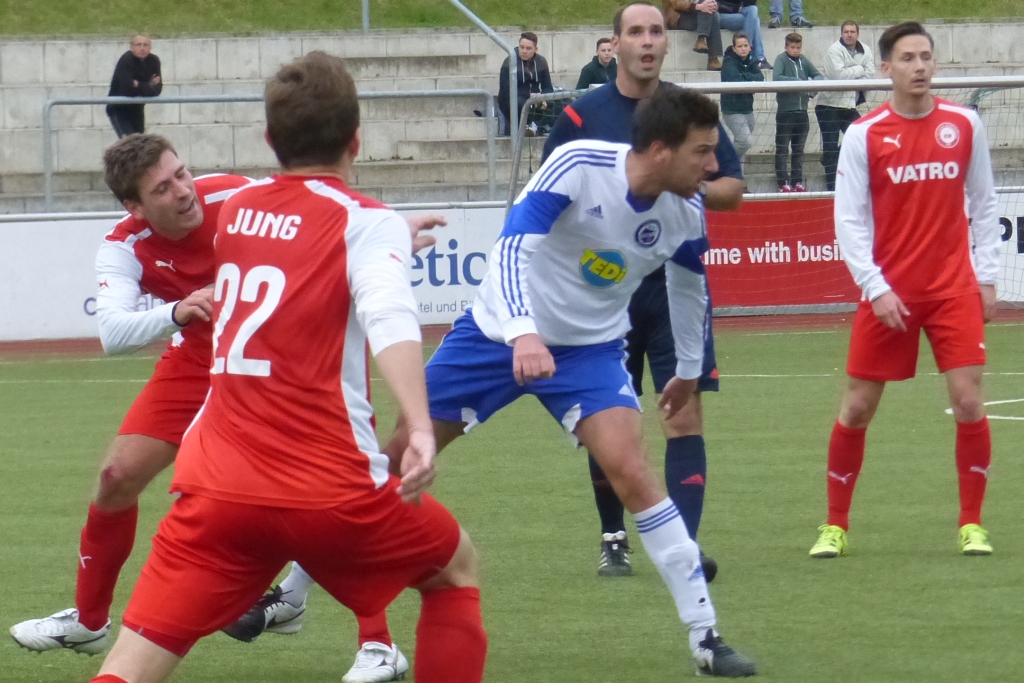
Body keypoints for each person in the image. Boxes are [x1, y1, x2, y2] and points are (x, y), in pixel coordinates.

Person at [80, 51, 488, 683]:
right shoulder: (363, 221)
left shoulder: (238, 212)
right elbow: (388, 315)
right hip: (325, 486)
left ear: (269, 140)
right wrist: (419, 424)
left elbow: (295, 240)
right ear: (357, 139)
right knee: (454, 572)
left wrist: (378, 240)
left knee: (131, 667)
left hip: (215, 490)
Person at [387, 85, 756, 678]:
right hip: (494, 335)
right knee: (398, 455)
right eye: (702, 152)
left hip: (590, 351)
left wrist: (688, 372)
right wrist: (523, 333)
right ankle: (296, 592)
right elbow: (511, 248)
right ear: (660, 150)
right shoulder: (579, 163)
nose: (714, 167)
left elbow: (690, 291)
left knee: (633, 472)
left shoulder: (685, 213)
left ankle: (705, 636)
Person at [9, 135, 249, 656]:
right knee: (116, 478)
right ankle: (89, 621)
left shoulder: (239, 197)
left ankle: (375, 639)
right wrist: (177, 311)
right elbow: (113, 334)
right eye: (162, 188)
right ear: (134, 207)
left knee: (305, 488)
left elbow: (317, 215)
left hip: (269, 363)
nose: (183, 191)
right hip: (197, 357)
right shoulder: (124, 244)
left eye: (182, 174)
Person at [543, 1, 744, 582]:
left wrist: (678, 189)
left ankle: (682, 548)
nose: (649, 41)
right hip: (604, 294)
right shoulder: (582, 115)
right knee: (609, 421)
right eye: (636, 32)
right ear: (615, 45)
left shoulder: (688, 111)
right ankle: (614, 539)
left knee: (684, 413)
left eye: (657, 30)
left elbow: (732, 187)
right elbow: (550, 192)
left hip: (673, 287)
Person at [809, 22, 1000, 559]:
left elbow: (984, 203)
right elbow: (849, 220)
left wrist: (987, 276)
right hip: (888, 293)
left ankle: (972, 524)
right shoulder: (864, 134)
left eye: (925, 57)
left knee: (968, 401)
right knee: (856, 409)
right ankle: (835, 525)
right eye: (908, 58)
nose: (919, 66)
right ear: (885, 67)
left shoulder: (964, 124)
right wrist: (875, 287)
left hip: (953, 290)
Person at [816, 21, 875, 191]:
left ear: (858, 34)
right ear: (841, 34)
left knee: (862, 137)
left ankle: (830, 158)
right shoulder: (834, 50)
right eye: (846, 32)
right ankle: (831, 188)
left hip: (849, 106)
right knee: (830, 144)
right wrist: (859, 69)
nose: (849, 34)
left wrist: (853, 73)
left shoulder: (866, 50)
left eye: (852, 32)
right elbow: (839, 76)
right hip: (829, 105)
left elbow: (870, 75)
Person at [772, 32, 821, 192]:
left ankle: (797, 181)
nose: (795, 50)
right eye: (792, 47)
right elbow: (777, 78)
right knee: (782, 149)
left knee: (798, 150)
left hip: (802, 112)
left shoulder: (803, 60)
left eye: (798, 47)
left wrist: (812, 90)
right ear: (786, 47)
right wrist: (799, 82)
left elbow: (818, 76)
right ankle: (783, 182)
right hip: (786, 112)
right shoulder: (781, 59)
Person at [498, 32, 554, 136]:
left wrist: (543, 97)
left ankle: (537, 126)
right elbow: (505, 91)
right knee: (521, 103)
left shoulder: (541, 62)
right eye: (522, 47)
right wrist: (529, 96)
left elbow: (547, 87)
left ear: (535, 49)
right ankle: (531, 126)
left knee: (559, 103)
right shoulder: (509, 62)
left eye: (528, 48)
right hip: (513, 100)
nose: (524, 51)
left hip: (536, 99)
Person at [106, 35, 162, 138]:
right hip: (119, 108)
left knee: (140, 142)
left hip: (137, 107)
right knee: (129, 142)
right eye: (138, 45)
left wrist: (138, 84)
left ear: (150, 47)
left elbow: (156, 90)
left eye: (145, 45)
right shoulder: (126, 60)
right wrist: (148, 85)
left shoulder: (154, 61)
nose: (142, 48)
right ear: (131, 47)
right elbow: (127, 89)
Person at [721, 31, 764, 163]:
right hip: (732, 110)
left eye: (745, 45)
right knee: (745, 142)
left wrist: (744, 76)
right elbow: (735, 80)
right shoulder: (728, 62)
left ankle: (737, 175)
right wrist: (749, 79)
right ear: (734, 48)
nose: (743, 48)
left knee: (741, 147)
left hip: (748, 109)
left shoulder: (752, 60)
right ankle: (723, 160)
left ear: (750, 47)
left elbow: (760, 78)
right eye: (740, 46)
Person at [663, 0, 723, 71]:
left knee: (712, 12)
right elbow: (677, 4)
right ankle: (712, 58)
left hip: (698, 15)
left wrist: (713, 5)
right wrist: (699, 6)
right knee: (710, 13)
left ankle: (702, 40)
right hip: (677, 17)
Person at [716, 0, 771, 70]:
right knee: (755, 20)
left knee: (753, 10)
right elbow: (716, 5)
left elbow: (751, 4)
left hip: (737, 13)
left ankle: (750, 54)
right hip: (720, 15)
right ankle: (758, 57)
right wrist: (736, 8)